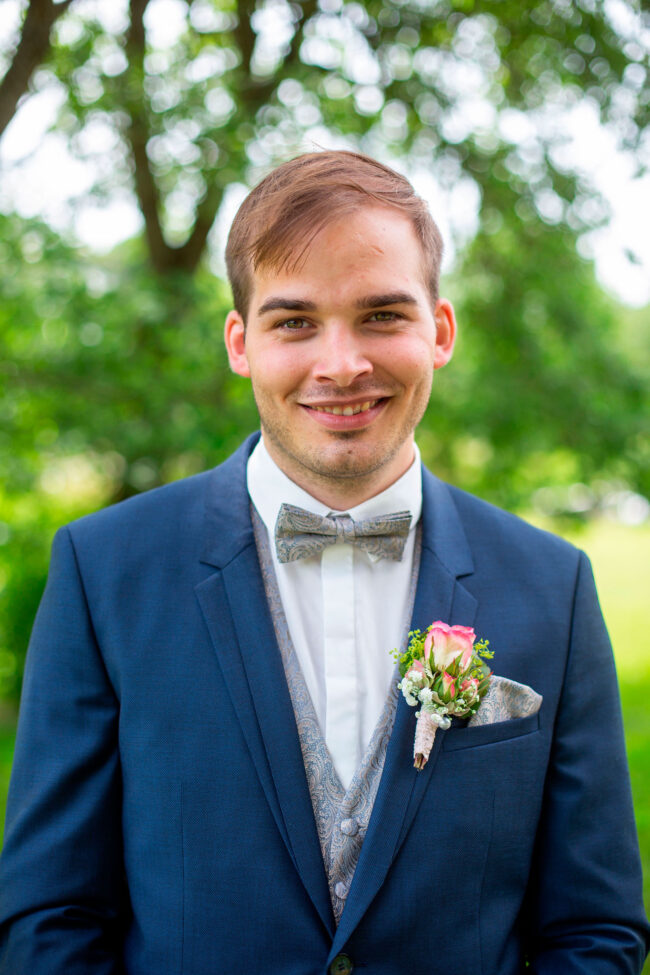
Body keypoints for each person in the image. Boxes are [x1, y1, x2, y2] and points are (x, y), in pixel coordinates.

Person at [0, 150, 647, 975]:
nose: (341, 364)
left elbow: (595, 931)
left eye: (381, 315)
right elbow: (50, 919)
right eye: (295, 321)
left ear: (439, 331)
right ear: (241, 342)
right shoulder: (104, 570)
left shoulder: (553, 586)